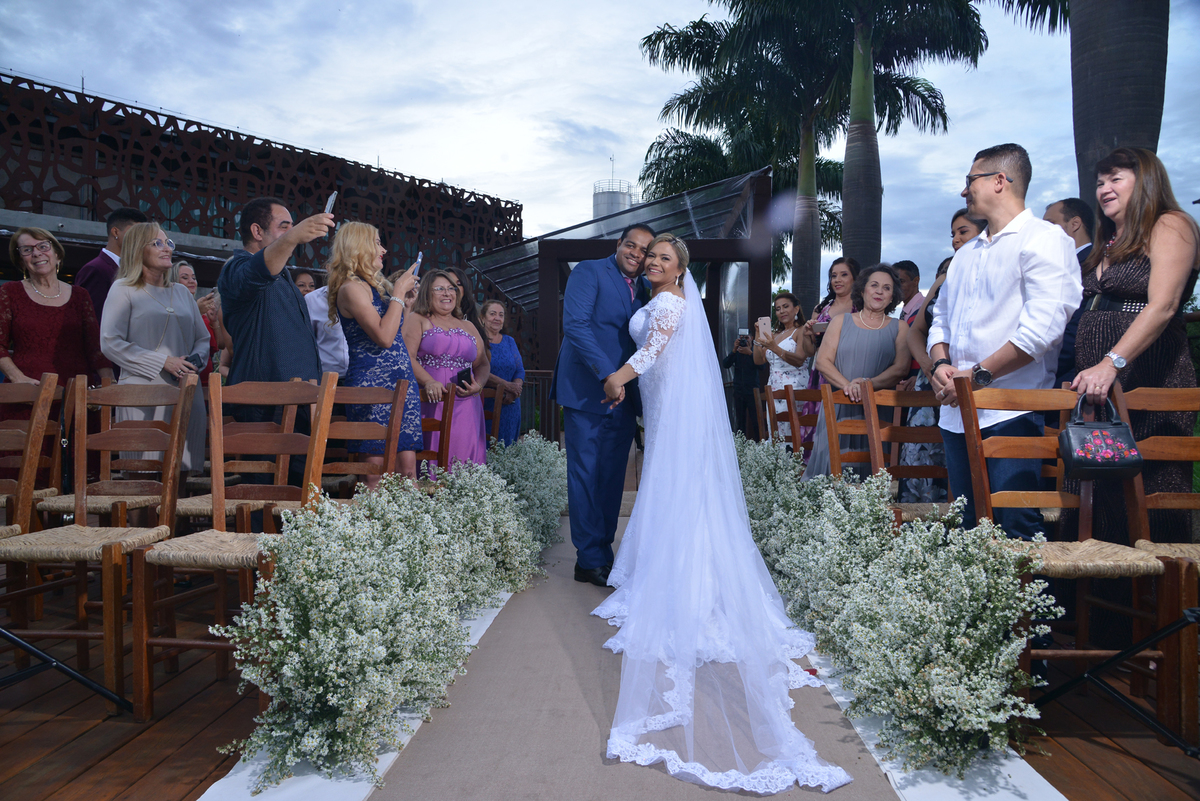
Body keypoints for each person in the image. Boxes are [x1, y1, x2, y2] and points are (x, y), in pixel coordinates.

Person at [595, 234, 852, 794]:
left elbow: (651, 353)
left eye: (665, 258)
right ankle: (682, 570)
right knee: (679, 487)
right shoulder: (668, 299)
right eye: (652, 256)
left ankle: (684, 582)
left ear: (680, 271)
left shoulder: (667, 303)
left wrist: (617, 377)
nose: (655, 262)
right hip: (666, 402)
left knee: (677, 487)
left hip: (668, 402)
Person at [928, 143, 1081, 538]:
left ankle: (1027, 584)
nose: (964, 190)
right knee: (965, 525)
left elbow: (1043, 329)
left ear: (1000, 181)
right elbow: (940, 319)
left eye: (971, 180)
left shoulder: (1045, 238)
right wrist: (940, 364)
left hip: (1014, 410)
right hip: (957, 410)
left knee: (1015, 524)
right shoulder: (965, 254)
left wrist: (976, 376)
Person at [1068, 147, 1200, 547]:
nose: (1104, 188)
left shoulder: (1170, 223)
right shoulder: (1107, 241)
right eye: (1099, 182)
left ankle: (1162, 584)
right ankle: (1094, 584)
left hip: (1148, 373)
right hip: (1097, 385)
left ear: (1145, 181)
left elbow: (1164, 306)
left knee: (1151, 485)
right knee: (1094, 487)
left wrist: (1111, 363)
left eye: (1116, 179)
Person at [551, 223, 653, 587]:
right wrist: (608, 375)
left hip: (625, 397)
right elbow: (576, 326)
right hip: (586, 389)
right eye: (631, 245)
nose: (636, 253)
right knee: (585, 474)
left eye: (644, 250)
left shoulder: (646, 287)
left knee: (611, 478)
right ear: (619, 243)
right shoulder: (589, 271)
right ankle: (588, 559)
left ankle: (604, 553)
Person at [99, 223, 210, 472]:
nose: (166, 248)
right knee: (142, 474)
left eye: (168, 243)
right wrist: (163, 361)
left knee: (182, 471)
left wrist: (194, 361)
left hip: (185, 389)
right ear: (138, 249)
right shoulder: (123, 289)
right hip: (142, 393)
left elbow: (202, 338)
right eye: (157, 243)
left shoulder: (182, 292)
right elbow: (109, 341)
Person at [217, 197, 333, 416]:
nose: (292, 234)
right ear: (257, 231)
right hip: (262, 406)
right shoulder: (236, 268)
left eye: (293, 228)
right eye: (284, 227)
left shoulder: (284, 275)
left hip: (299, 402)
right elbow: (257, 272)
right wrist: (293, 237)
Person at [326, 222, 422, 484]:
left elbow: (397, 338)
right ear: (360, 246)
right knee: (375, 474)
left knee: (408, 471)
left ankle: (409, 514)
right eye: (378, 243)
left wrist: (405, 306)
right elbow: (384, 338)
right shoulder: (351, 288)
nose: (384, 249)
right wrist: (398, 292)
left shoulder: (374, 287)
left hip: (402, 381)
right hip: (372, 384)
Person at [803, 264, 911, 480]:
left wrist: (867, 385)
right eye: (874, 285)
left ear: (893, 296)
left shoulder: (901, 327)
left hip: (879, 411)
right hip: (839, 406)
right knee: (830, 475)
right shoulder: (840, 321)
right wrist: (848, 386)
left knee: (874, 473)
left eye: (887, 288)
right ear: (862, 290)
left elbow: (901, 368)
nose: (880, 291)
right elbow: (822, 361)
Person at [403, 270, 490, 469]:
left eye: (451, 288)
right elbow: (407, 357)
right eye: (440, 289)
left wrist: (479, 385)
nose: (447, 293)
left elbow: (483, 364)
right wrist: (428, 381)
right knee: (435, 453)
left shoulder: (468, 325)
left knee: (466, 457)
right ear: (427, 293)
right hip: (433, 400)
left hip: (468, 404)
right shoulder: (418, 319)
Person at [797, 257, 859, 450]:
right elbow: (810, 352)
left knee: (845, 423)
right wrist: (808, 335)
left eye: (843, 274)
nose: (837, 280)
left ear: (855, 278)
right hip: (821, 373)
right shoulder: (821, 309)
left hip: (849, 372)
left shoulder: (862, 308)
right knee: (819, 424)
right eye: (833, 276)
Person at [1044, 197, 1096, 388]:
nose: (1044, 232)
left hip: (1070, 377)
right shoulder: (1057, 266)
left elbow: (1077, 329)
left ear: (1075, 224)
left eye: (1050, 224)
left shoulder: (1092, 265)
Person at [752, 292, 813, 442]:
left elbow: (799, 360)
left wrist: (774, 347)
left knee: (793, 433)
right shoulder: (775, 334)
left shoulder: (801, 331)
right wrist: (758, 335)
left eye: (786, 307)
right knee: (776, 432)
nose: (781, 311)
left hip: (794, 387)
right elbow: (758, 360)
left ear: (796, 309)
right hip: (773, 387)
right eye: (778, 309)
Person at [74, 207, 147, 327]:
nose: (140, 239)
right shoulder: (96, 269)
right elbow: (92, 321)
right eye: (135, 233)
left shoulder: (134, 269)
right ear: (116, 232)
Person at [480, 299, 525, 446]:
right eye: (493, 314)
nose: (497, 318)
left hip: (510, 403)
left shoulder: (509, 341)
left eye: (501, 315)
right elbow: (478, 370)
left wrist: (515, 390)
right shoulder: (478, 340)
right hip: (487, 403)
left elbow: (519, 370)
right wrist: (507, 386)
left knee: (510, 448)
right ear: (483, 318)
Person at [721, 329, 765, 439]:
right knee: (740, 421)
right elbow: (725, 364)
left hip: (752, 390)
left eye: (746, 338)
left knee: (756, 420)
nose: (744, 341)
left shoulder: (755, 352)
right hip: (739, 390)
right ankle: (741, 443)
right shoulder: (738, 352)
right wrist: (734, 350)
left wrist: (750, 353)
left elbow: (762, 366)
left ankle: (758, 443)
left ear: (752, 338)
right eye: (741, 338)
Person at [304, 284, 350, 378]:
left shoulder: (370, 294)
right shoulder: (312, 299)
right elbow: (305, 343)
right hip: (325, 376)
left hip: (363, 374)